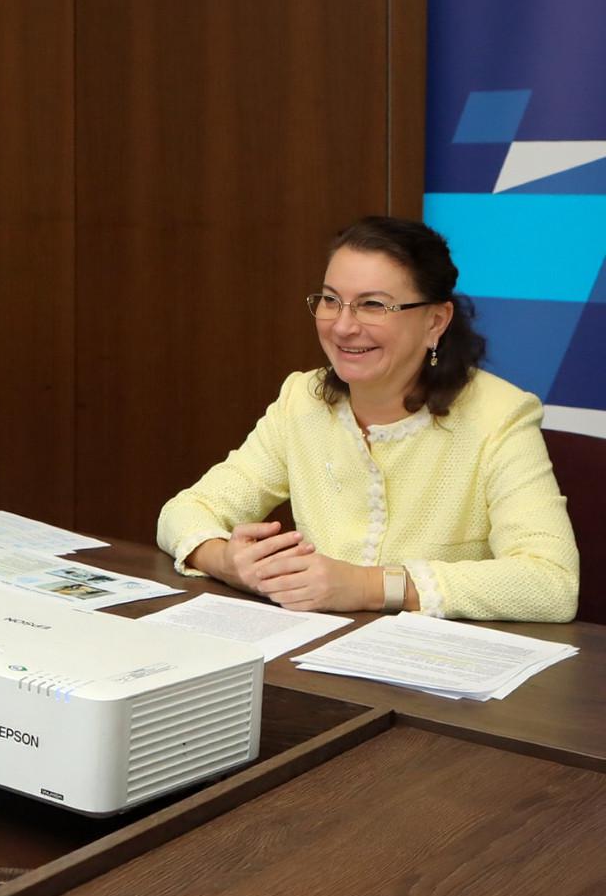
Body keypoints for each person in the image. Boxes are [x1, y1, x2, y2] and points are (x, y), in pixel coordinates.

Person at [156, 216, 579, 622]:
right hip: (317, 650)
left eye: (372, 305)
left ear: (435, 321)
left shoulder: (500, 415)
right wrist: (227, 561)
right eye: (330, 300)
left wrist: (368, 586)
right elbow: (185, 510)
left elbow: (552, 582)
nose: (342, 327)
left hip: (438, 662)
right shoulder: (302, 400)